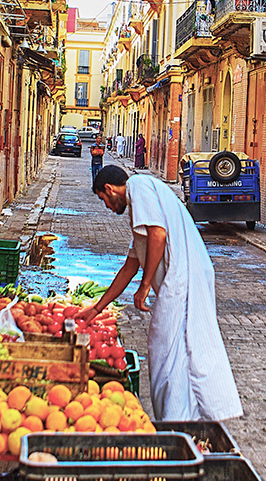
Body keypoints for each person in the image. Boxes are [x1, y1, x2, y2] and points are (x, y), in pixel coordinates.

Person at [83, 165, 242, 422]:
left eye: (104, 200)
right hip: (181, 278)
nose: (108, 208)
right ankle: (185, 416)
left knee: (170, 346)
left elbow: (158, 233)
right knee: (176, 348)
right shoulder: (140, 205)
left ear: (110, 190)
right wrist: (97, 308)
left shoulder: (141, 187)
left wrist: (145, 285)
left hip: (183, 277)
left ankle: (180, 418)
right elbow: (129, 266)